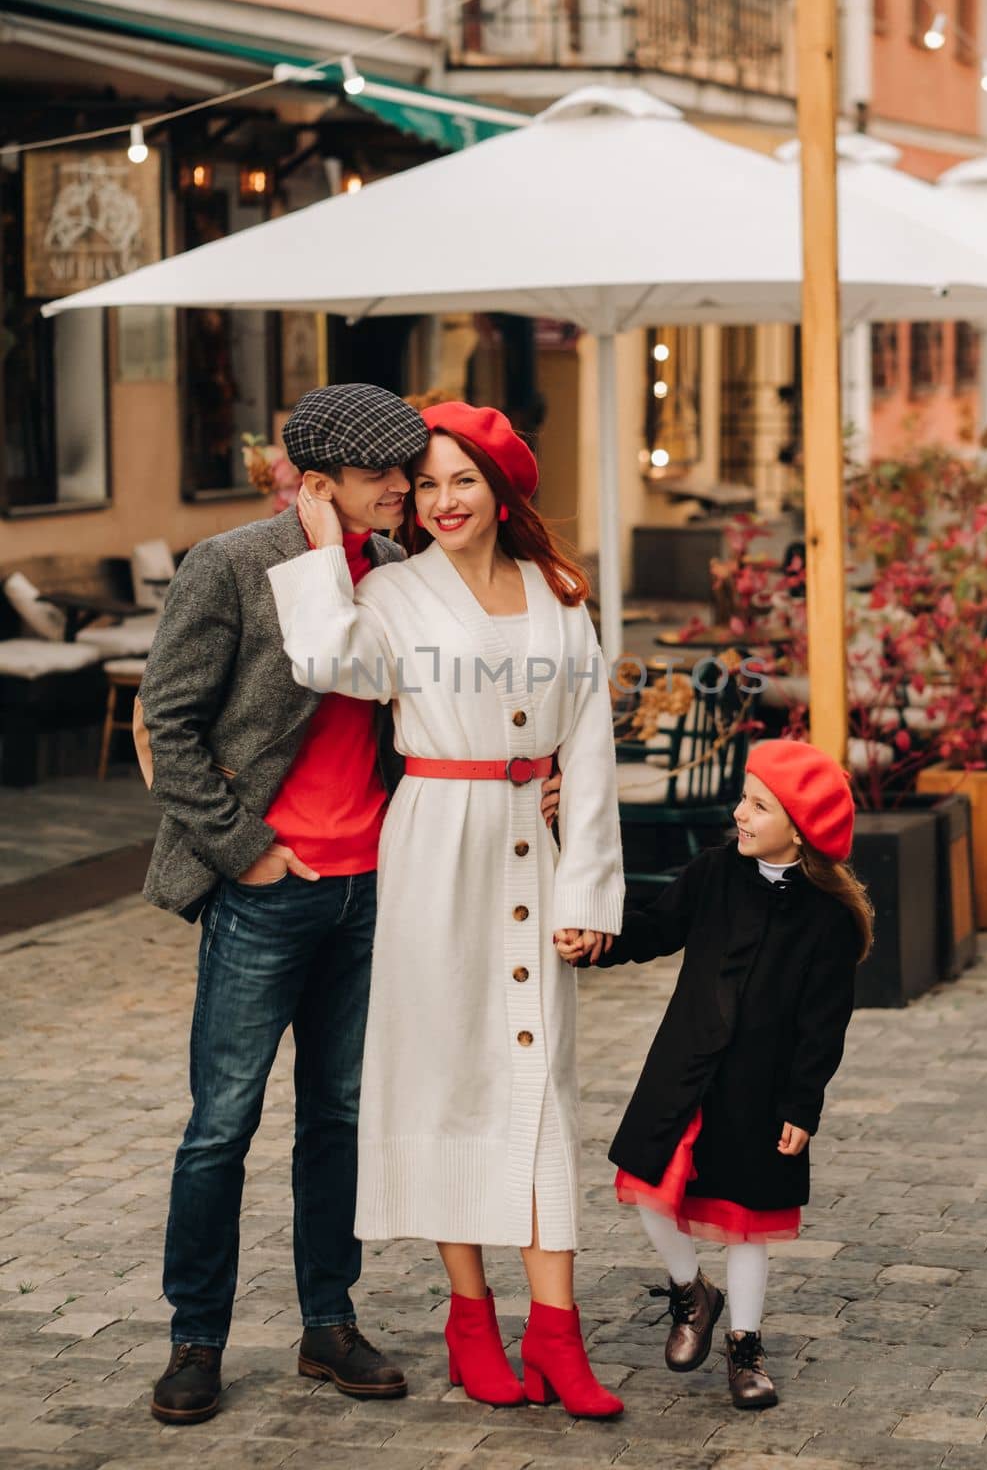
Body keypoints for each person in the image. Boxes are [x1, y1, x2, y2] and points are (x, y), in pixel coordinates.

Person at [139, 383, 558, 1426]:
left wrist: (528, 772)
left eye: (411, 473)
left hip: (379, 888)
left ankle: (328, 1323)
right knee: (221, 1125)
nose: (405, 490)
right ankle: (196, 1337)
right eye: (383, 477)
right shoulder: (231, 565)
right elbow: (169, 725)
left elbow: (459, 694)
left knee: (337, 1117)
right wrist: (246, 854)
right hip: (269, 893)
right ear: (318, 484)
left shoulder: (402, 576)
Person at [269, 400, 627, 1419]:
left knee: (542, 1083)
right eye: (422, 485)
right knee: (449, 1076)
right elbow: (329, 661)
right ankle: (470, 1315)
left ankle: (556, 1333)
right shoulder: (389, 589)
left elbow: (589, 746)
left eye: (459, 479)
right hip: (435, 843)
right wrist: (315, 547)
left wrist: (588, 885)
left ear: (500, 486)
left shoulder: (558, 596)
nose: (440, 500)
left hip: (533, 838)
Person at [558, 738, 872, 1411]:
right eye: (742, 798)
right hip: (682, 1068)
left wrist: (801, 1106)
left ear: (799, 826)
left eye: (758, 805)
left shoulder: (828, 921)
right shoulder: (713, 874)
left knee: (745, 1220)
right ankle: (689, 1292)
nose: (739, 813)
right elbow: (653, 928)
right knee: (645, 1188)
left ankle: (745, 1347)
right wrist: (595, 943)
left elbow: (824, 1027)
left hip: (757, 1093)